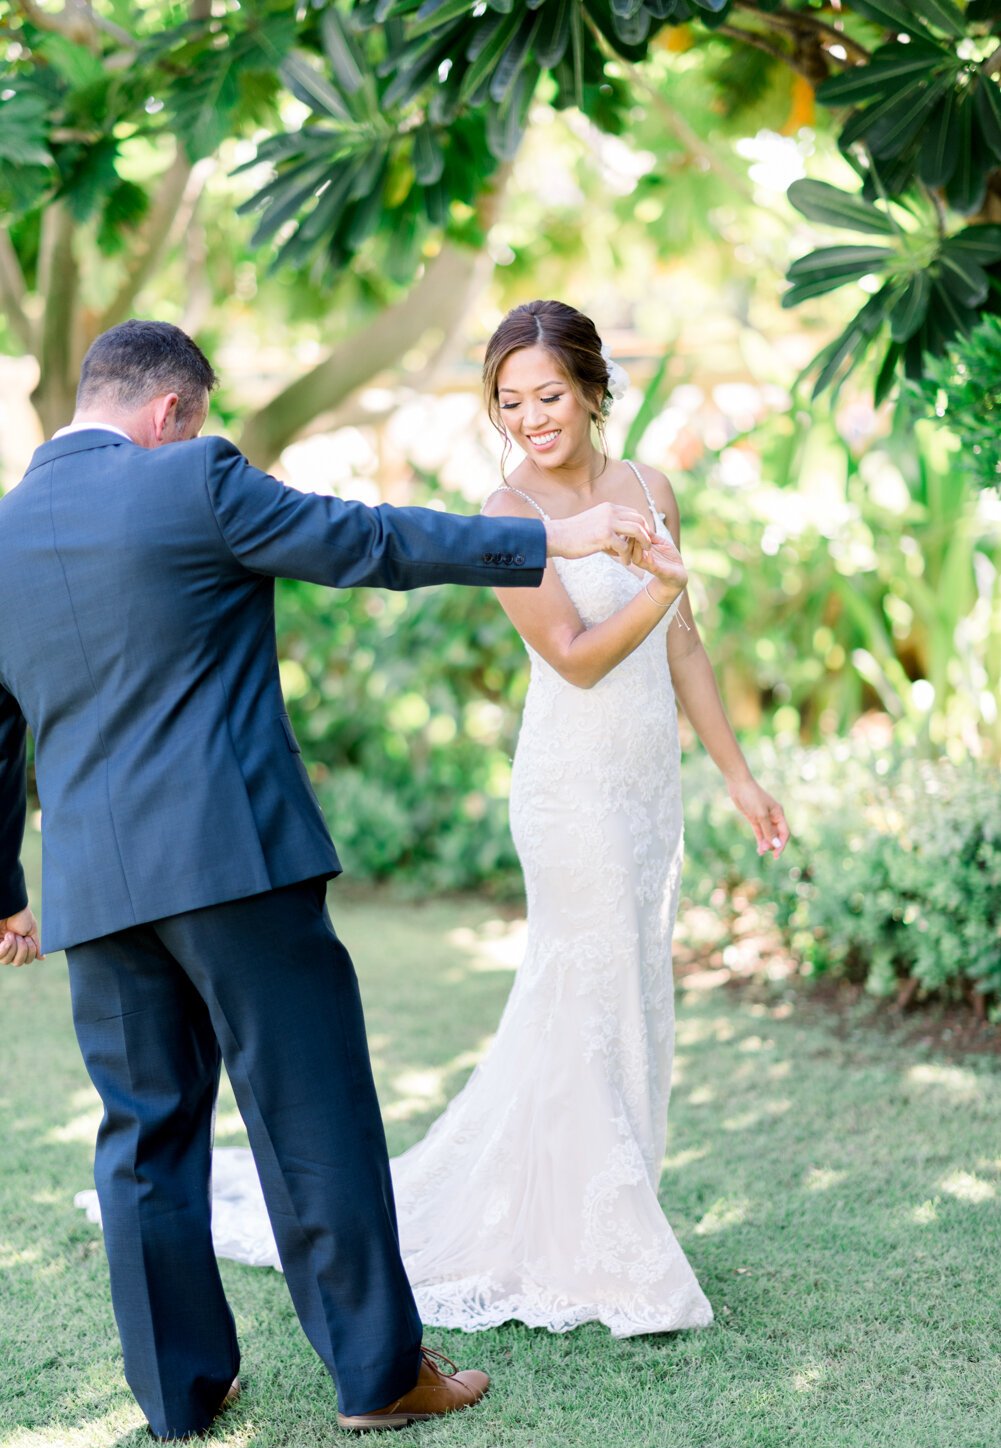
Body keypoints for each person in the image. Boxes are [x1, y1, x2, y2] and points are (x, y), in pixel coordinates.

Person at [0, 318, 656, 1439]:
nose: (197, 436)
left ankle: (177, 1397)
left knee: (144, 1136)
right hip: (232, 862)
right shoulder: (191, 478)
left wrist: (5, 890)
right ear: (171, 412)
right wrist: (556, 537)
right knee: (311, 1116)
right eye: (196, 422)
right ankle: (378, 1377)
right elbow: (365, 542)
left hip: (95, 890)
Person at [150, 301, 790, 1340]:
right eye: (508, 400)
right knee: (580, 987)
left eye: (547, 395)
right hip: (570, 786)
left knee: (629, 982)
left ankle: (608, 1202)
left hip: (643, 786)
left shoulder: (650, 489)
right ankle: (596, 1239)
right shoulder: (506, 511)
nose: (530, 417)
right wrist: (661, 587)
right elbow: (577, 655)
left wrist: (737, 775)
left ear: (589, 388)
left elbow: (683, 649)